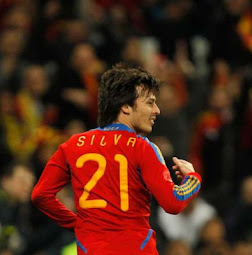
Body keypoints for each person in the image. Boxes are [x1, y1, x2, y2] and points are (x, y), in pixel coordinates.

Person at [31, 63, 202, 254]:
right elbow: (173, 203)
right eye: (150, 102)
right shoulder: (142, 148)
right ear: (126, 106)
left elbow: (40, 195)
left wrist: (77, 224)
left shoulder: (73, 145)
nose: (157, 110)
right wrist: (192, 179)